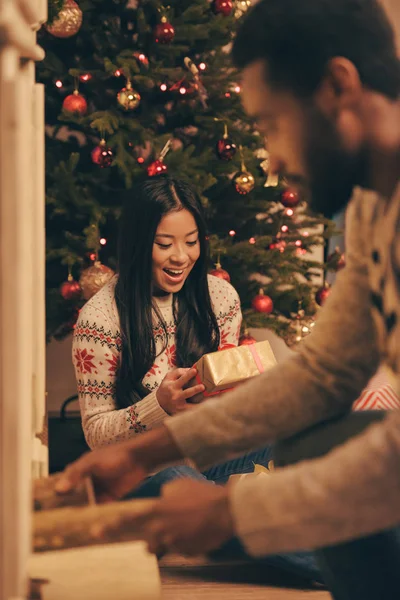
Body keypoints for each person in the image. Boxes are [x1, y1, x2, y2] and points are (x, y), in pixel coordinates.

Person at [57, 1, 400, 597]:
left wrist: (230, 516)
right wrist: (145, 454)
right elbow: (324, 371)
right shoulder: (375, 202)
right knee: (312, 440)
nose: (272, 160)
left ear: (338, 87)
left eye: (270, 125)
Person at [72, 174, 322, 581]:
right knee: (177, 479)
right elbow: (96, 433)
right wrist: (160, 406)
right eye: (164, 243)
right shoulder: (99, 319)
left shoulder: (220, 298)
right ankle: (337, 566)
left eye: (191, 241)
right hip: (142, 478)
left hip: (208, 458)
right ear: (138, 242)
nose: (181, 257)